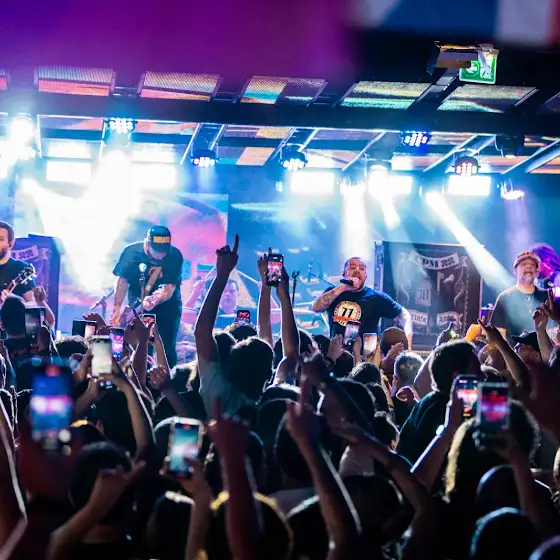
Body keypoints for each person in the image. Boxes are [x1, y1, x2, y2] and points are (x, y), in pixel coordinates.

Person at [110, 225, 183, 367]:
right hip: (138, 307)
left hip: (168, 307)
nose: (160, 256)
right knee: (141, 345)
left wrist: (156, 300)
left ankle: (169, 376)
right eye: (156, 251)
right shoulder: (131, 253)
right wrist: (117, 307)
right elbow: (122, 281)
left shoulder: (175, 255)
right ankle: (140, 375)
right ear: (147, 243)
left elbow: (170, 286)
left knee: (167, 345)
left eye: (163, 252)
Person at [312, 256, 413, 347]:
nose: (357, 270)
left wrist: (407, 338)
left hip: (365, 357)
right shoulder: (334, 292)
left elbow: (404, 314)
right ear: (344, 273)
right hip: (336, 355)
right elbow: (316, 308)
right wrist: (343, 287)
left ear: (366, 276)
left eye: (362, 268)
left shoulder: (376, 297)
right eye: (352, 267)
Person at [492, 251, 548, 341]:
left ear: (536, 272)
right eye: (524, 264)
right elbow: (499, 331)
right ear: (515, 270)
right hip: (513, 349)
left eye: (533, 265)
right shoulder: (505, 297)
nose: (529, 266)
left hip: (542, 349)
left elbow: (553, 328)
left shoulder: (546, 296)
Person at [0, 221, 36, 305]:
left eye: (0, 239)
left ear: (10, 244)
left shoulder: (20, 268)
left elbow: (32, 304)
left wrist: (16, 301)